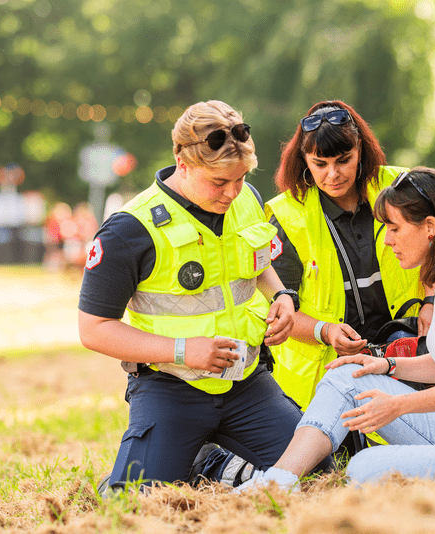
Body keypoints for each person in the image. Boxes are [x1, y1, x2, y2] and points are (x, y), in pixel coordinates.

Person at [237, 167, 435, 490]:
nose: (387, 240)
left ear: (430, 227)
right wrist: (386, 365)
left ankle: (281, 481)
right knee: (347, 376)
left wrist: (398, 404)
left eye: (395, 228)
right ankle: (279, 479)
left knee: (363, 468)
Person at [78, 100, 329, 493]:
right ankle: (199, 460)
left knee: (320, 472)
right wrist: (183, 350)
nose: (232, 193)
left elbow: (257, 260)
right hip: (170, 386)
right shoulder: (128, 230)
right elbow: (93, 329)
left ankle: (214, 464)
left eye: (241, 178)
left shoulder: (246, 199)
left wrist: (281, 293)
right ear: (182, 161)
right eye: (218, 182)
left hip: (247, 383)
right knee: (137, 501)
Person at [265, 100, 432, 412]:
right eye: (320, 164)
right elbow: (277, 310)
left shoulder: (401, 187)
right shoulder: (287, 217)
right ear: (304, 161)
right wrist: (324, 331)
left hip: (408, 346)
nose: (333, 174)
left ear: (361, 150)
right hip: (325, 369)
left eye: (344, 160)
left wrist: (432, 303)